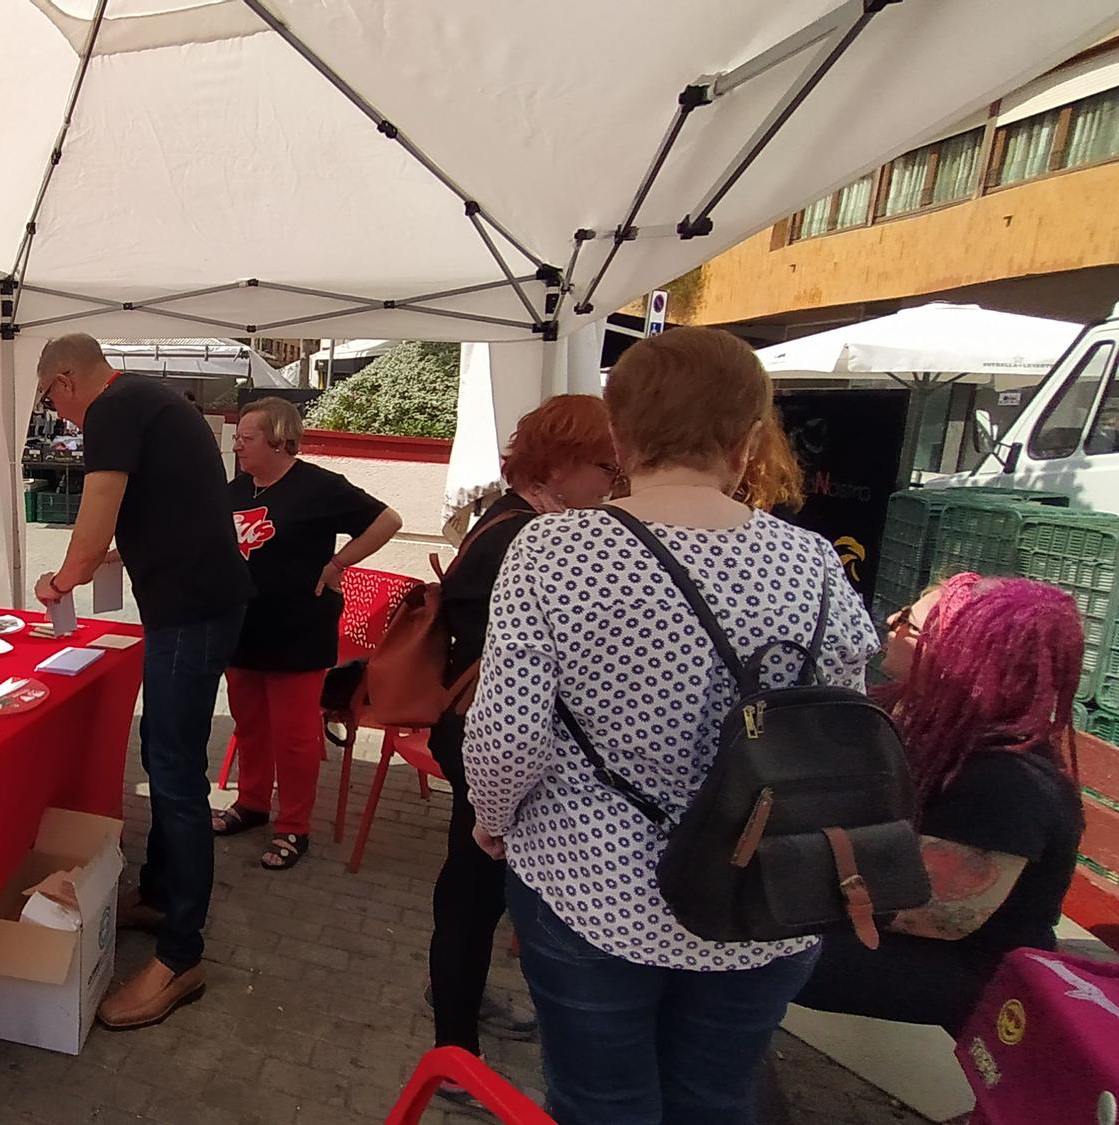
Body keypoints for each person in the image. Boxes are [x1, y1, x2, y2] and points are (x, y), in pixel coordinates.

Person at [464, 327, 882, 1124]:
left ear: (620, 434)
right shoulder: (812, 560)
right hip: (759, 894)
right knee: (716, 1100)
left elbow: (508, 733)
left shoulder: (552, 551)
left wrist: (492, 819)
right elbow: (838, 736)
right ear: (749, 437)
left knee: (601, 1104)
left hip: (589, 884)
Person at [31, 333, 255, 1030]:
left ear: (66, 380)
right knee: (164, 750)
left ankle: (180, 955)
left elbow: (94, 521)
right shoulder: (151, 401)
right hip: (196, 605)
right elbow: (172, 512)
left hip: (191, 613)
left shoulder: (113, 409)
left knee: (177, 775)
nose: (58, 417)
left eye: (49, 400)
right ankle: (161, 892)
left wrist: (60, 580)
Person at [424, 394, 619, 1074]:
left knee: (474, 889)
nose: (611, 482)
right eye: (604, 466)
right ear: (559, 465)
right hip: (481, 731)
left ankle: (460, 1007)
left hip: (478, 728)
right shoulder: (527, 535)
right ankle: (453, 1048)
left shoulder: (516, 521)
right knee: (473, 890)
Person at [797, 578, 1086, 1032]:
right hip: (885, 925)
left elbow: (929, 917)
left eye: (910, 623)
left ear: (961, 656)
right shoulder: (912, 712)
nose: (891, 622)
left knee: (741, 942)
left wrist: (774, 882)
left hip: (960, 967)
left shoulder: (1010, 781)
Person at [213, 397, 400, 871]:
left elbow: (387, 520)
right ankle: (252, 803)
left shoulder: (319, 487)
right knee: (250, 723)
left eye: (246, 438)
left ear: (279, 438)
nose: (237, 446)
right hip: (243, 629)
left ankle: (294, 825)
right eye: (237, 438)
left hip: (298, 631)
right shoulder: (236, 491)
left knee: (294, 736)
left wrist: (340, 563)